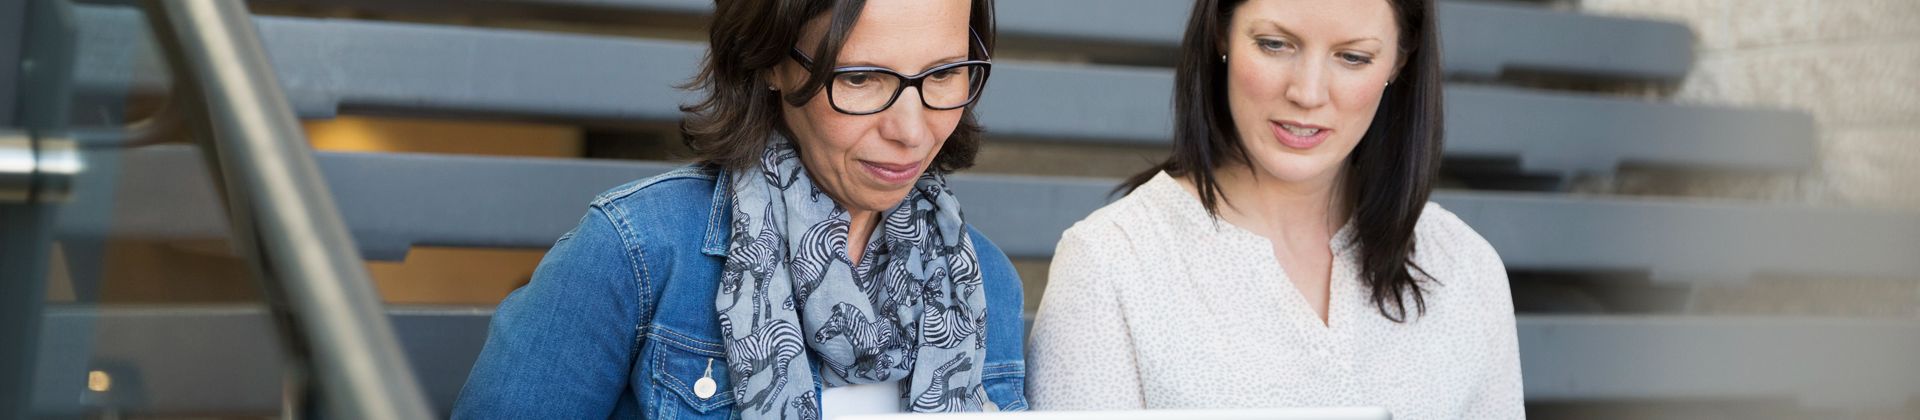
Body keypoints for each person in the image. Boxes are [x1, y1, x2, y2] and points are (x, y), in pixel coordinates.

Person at [452, 0, 1029, 418]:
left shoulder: (986, 283)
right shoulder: (636, 253)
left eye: (946, 73)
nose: (910, 131)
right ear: (771, 63)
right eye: (859, 79)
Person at [1026, 0, 1523, 418]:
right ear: (1222, 32)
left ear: (1399, 60)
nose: (1306, 93)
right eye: (1274, 44)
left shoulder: (1465, 268)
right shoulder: (1112, 263)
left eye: (1352, 57)